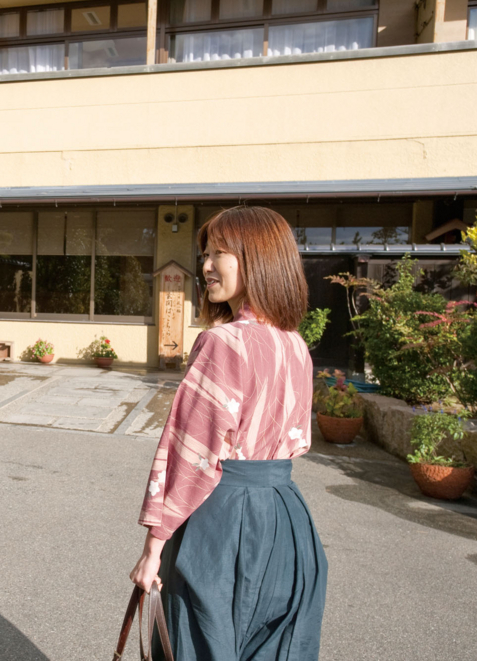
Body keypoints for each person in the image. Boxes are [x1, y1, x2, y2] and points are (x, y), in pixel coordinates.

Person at [129, 206, 328, 661]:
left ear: (257, 258)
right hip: (287, 519)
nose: (206, 266)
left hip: (222, 517)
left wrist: (153, 550)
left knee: (202, 639)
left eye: (220, 253)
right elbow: (298, 437)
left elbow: (191, 453)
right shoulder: (294, 343)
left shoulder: (223, 342)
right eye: (206, 253)